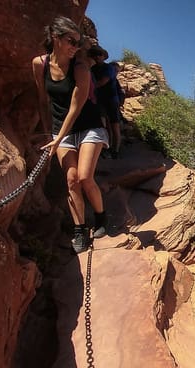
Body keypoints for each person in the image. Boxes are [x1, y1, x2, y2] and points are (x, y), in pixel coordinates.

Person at [32, 16, 108, 253]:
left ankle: (101, 216)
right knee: (71, 179)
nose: (75, 46)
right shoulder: (39, 64)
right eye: (71, 41)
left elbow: (76, 107)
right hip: (59, 130)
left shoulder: (81, 68)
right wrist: (48, 133)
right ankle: (80, 230)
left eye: (78, 42)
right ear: (55, 37)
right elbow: (43, 99)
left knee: (85, 177)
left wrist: (57, 137)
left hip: (88, 126)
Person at [88, 46, 122, 159]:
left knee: (114, 126)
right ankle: (105, 148)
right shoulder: (92, 69)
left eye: (99, 54)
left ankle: (115, 150)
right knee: (103, 125)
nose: (97, 57)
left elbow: (103, 82)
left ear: (103, 56)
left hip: (111, 101)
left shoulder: (109, 68)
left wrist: (87, 89)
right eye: (95, 54)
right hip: (99, 101)